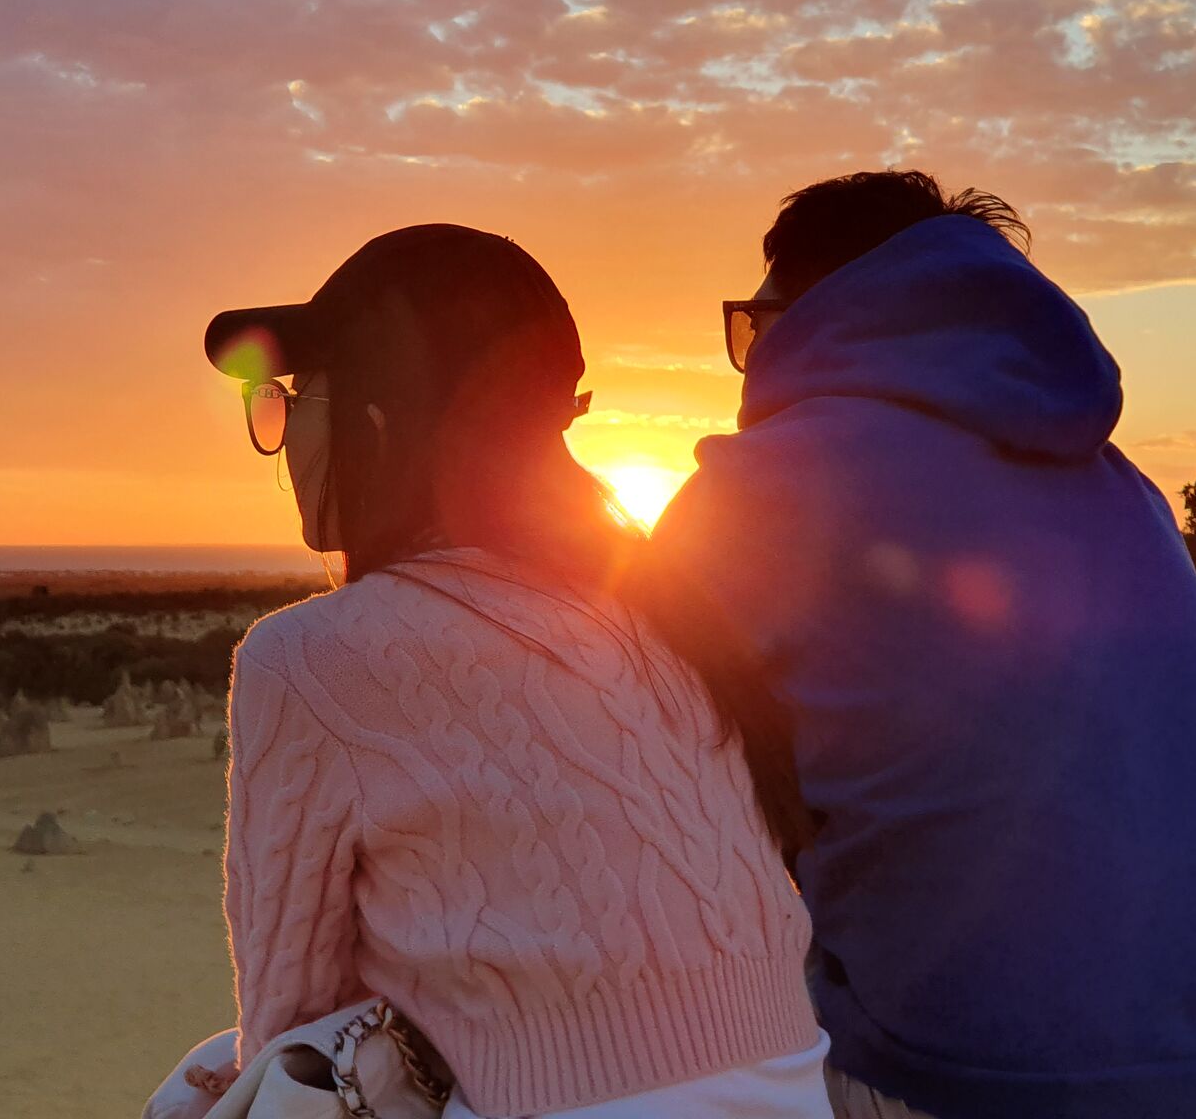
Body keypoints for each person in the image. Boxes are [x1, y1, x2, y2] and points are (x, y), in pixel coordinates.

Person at [651, 171, 1196, 1119]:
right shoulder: (1120, 486)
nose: (754, 361)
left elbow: (645, 782)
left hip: (971, 1074)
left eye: (756, 328)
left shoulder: (752, 490)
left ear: (815, 315)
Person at [196, 223, 834, 1119]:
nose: (281, 435)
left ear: (374, 426)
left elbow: (292, 1024)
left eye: (294, 400)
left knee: (193, 1090)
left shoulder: (308, 657)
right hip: (793, 1087)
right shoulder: (666, 609)